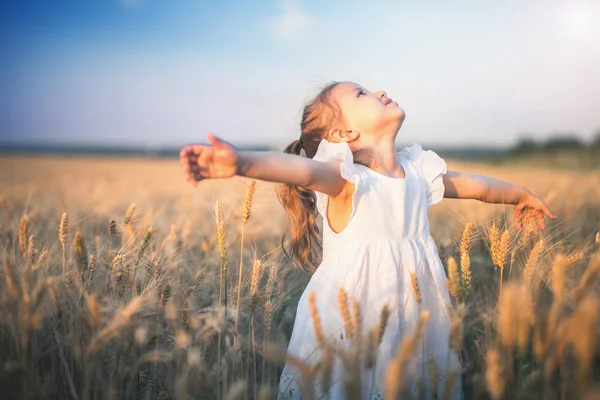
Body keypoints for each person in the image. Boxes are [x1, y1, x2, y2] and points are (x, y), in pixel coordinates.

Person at [179, 81, 555, 399]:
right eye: (361, 94)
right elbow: (300, 170)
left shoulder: (417, 171)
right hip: (354, 321)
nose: (379, 90)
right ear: (343, 135)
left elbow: (475, 185)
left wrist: (519, 194)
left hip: (418, 314)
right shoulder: (346, 180)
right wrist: (240, 163)